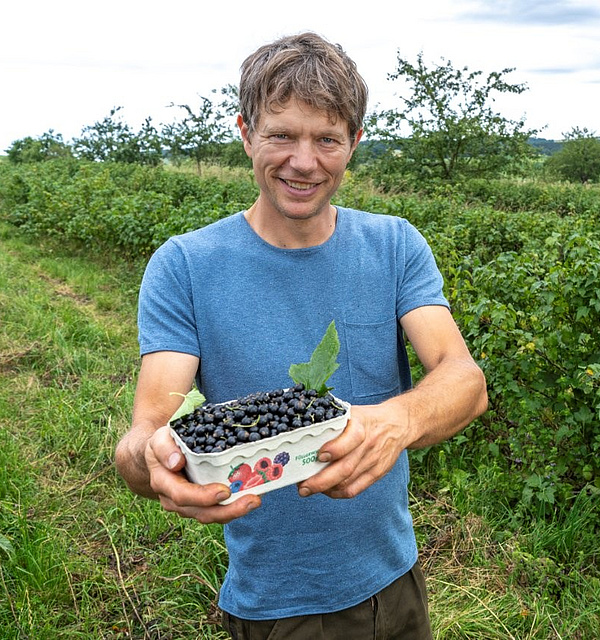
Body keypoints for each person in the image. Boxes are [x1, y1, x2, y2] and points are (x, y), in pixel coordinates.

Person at [114, 31, 488, 640]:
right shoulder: (185, 265)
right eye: (282, 134)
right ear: (245, 133)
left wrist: (395, 422)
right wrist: (151, 462)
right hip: (276, 605)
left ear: (354, 145)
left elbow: (464, 381)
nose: (304, 161)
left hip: (397, 582)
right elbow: (148, 428)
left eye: (327, 139)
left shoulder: (394, 247)